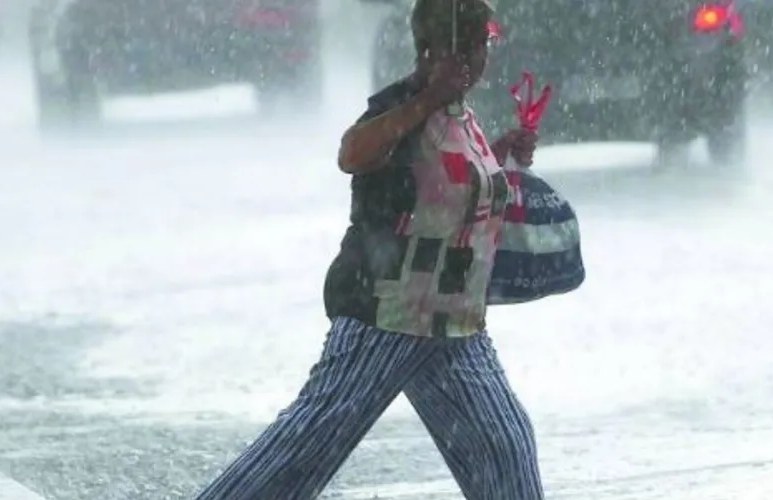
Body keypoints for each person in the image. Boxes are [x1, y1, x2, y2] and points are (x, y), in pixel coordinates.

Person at [192, 0, 546, 498]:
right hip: (387, 315)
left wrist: (503, 151)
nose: (479, 58)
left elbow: (456, 190)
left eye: (482, 45)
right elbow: (353, 152)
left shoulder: (461, 115)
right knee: (304, 448)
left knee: (504, 446)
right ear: (433, 50)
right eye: (469, 46)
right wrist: (426, 99)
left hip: (454, 323)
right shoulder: (400, 105)